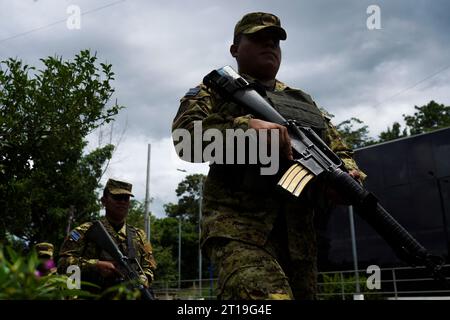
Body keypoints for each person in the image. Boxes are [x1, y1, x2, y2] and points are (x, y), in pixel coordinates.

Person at [172, 12, 366, 300]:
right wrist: (245, 128)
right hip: (240, 231)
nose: (270, 45)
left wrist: (349, 176)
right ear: (235, 49)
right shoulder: (213, 90)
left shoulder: (302, 101)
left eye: (275, 40)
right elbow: (186, 141)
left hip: (299, 241)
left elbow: (338, 149)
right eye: (258, 38)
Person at [57, 178, 156, 297]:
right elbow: (62, 264)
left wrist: (142, 279)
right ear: (104, 201)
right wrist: (95, 265)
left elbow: (149, 268)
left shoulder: (139, 236)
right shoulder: (84, 232)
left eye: (126, 198)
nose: (123, 202)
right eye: (117, 198)